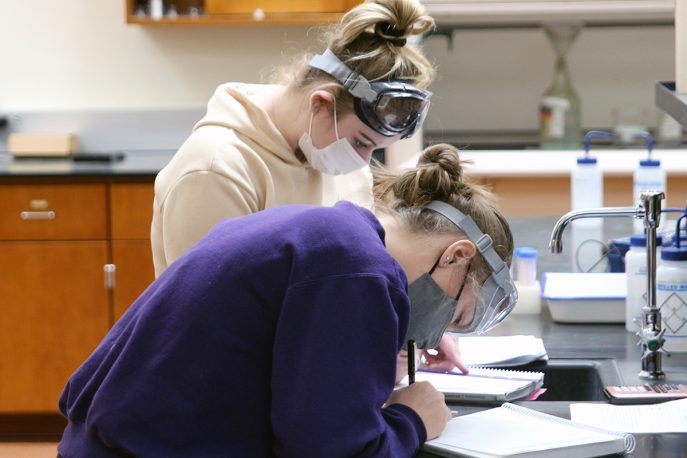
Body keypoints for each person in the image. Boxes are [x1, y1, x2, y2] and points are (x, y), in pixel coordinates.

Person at [58, 144, 516, 457]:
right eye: (453, 314)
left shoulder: (327, 234)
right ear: (457, 255)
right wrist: (412, 420)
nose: (434, 334)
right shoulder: (358, 271)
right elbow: (330, 451)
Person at [151, 0, 436, 277]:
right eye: (361, 142)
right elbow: (213, 311)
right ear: (321, 103)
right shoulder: (214, 170)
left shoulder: (340, 163)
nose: (363, 161)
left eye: (374, 148)